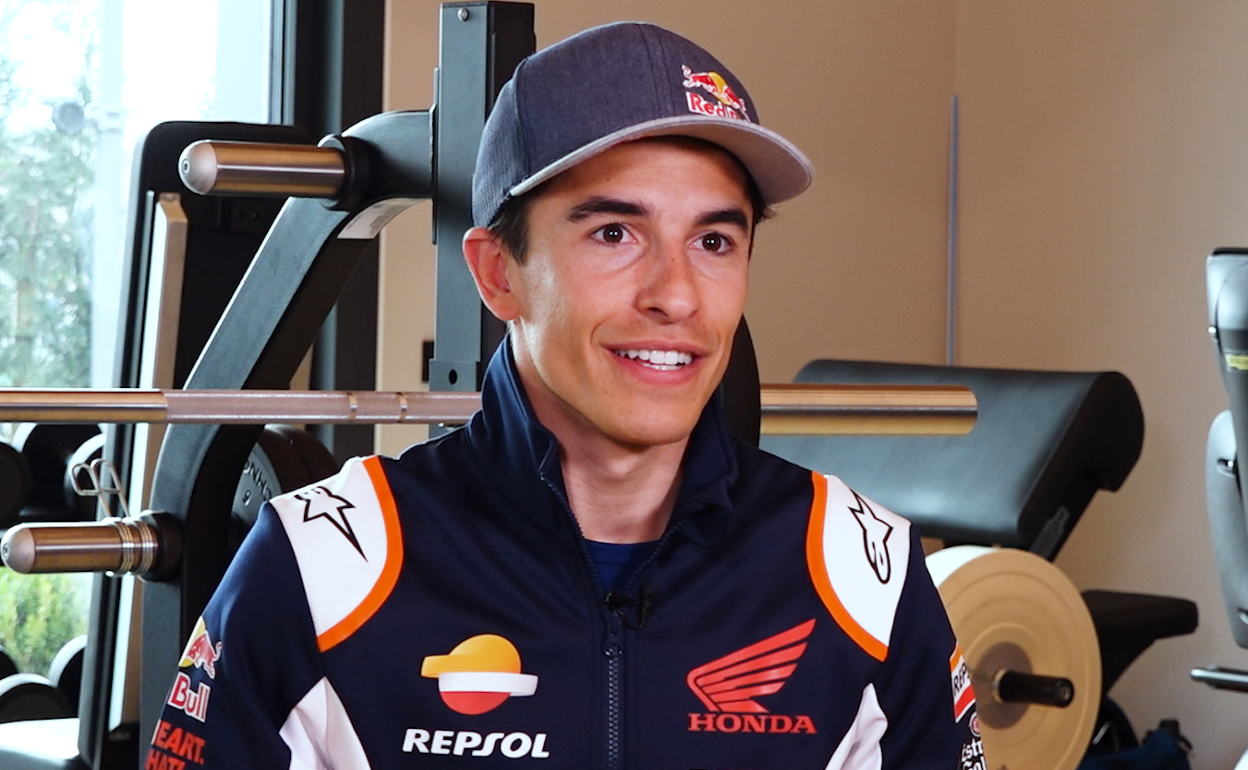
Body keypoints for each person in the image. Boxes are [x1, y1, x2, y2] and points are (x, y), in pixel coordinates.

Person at [146, 21, 981, 770]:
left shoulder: (865, 577)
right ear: (497, 273)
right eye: (615, 233)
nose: (677, 295)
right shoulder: (320, 567)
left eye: (714, 241)